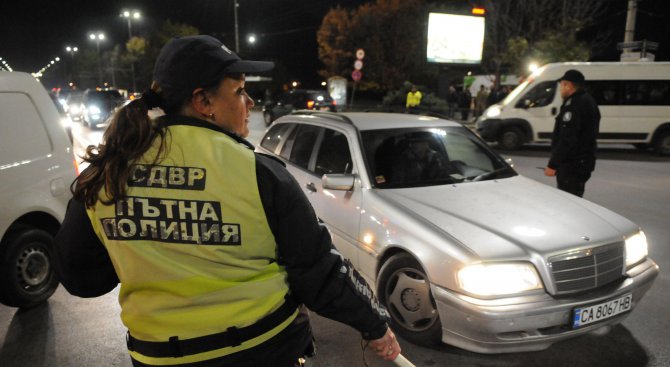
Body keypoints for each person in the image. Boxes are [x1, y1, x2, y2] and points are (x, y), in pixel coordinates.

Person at [53, 35, 400, 367]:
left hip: (158, 357)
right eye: (239, 91)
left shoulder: (104, 174)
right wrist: (374, 325)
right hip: (260, 352)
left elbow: (82, 279)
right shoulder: (256, 172)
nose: (249, 103)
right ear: (204, 102)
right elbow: (319, 271)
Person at [544, 69, 600, 197]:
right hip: (583, 162)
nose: (560, 90)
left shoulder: (574, 105)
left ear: (568, 85)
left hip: (572, 165)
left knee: (568, 201)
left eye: (561, 86)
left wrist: (552, 165)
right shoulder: (589, 100)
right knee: (576, 198)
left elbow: (567, 138)